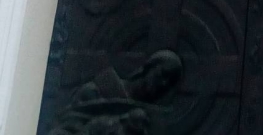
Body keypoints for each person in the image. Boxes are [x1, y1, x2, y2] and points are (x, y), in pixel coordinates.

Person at [49, 50, 182, 134]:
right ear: (149, 67)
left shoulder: (147, 122)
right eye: (163, 74)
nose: (164, 84)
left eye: (170, 84)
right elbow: (61, 129)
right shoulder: (95, 92)